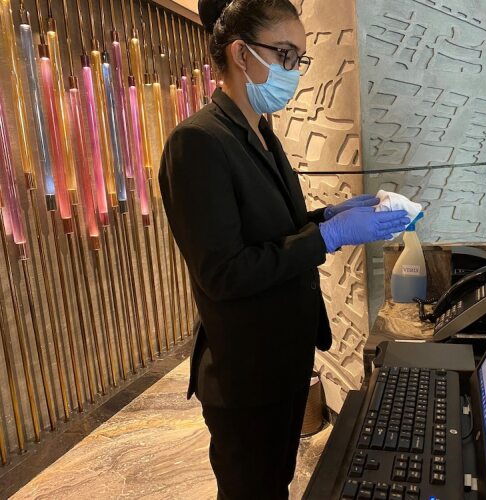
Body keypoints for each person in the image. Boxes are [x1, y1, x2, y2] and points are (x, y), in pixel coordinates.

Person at [158, 1, 410, 498]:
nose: (293, 71)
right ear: (241, 54)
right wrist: (329, 237)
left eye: (300, 58)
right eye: (285, 54)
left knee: (277, 480)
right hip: (246, 372)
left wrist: (330, 216)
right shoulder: (198, 143)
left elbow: (275, 230)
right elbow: (224, 272)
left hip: (283, 358)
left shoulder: (261, 132)